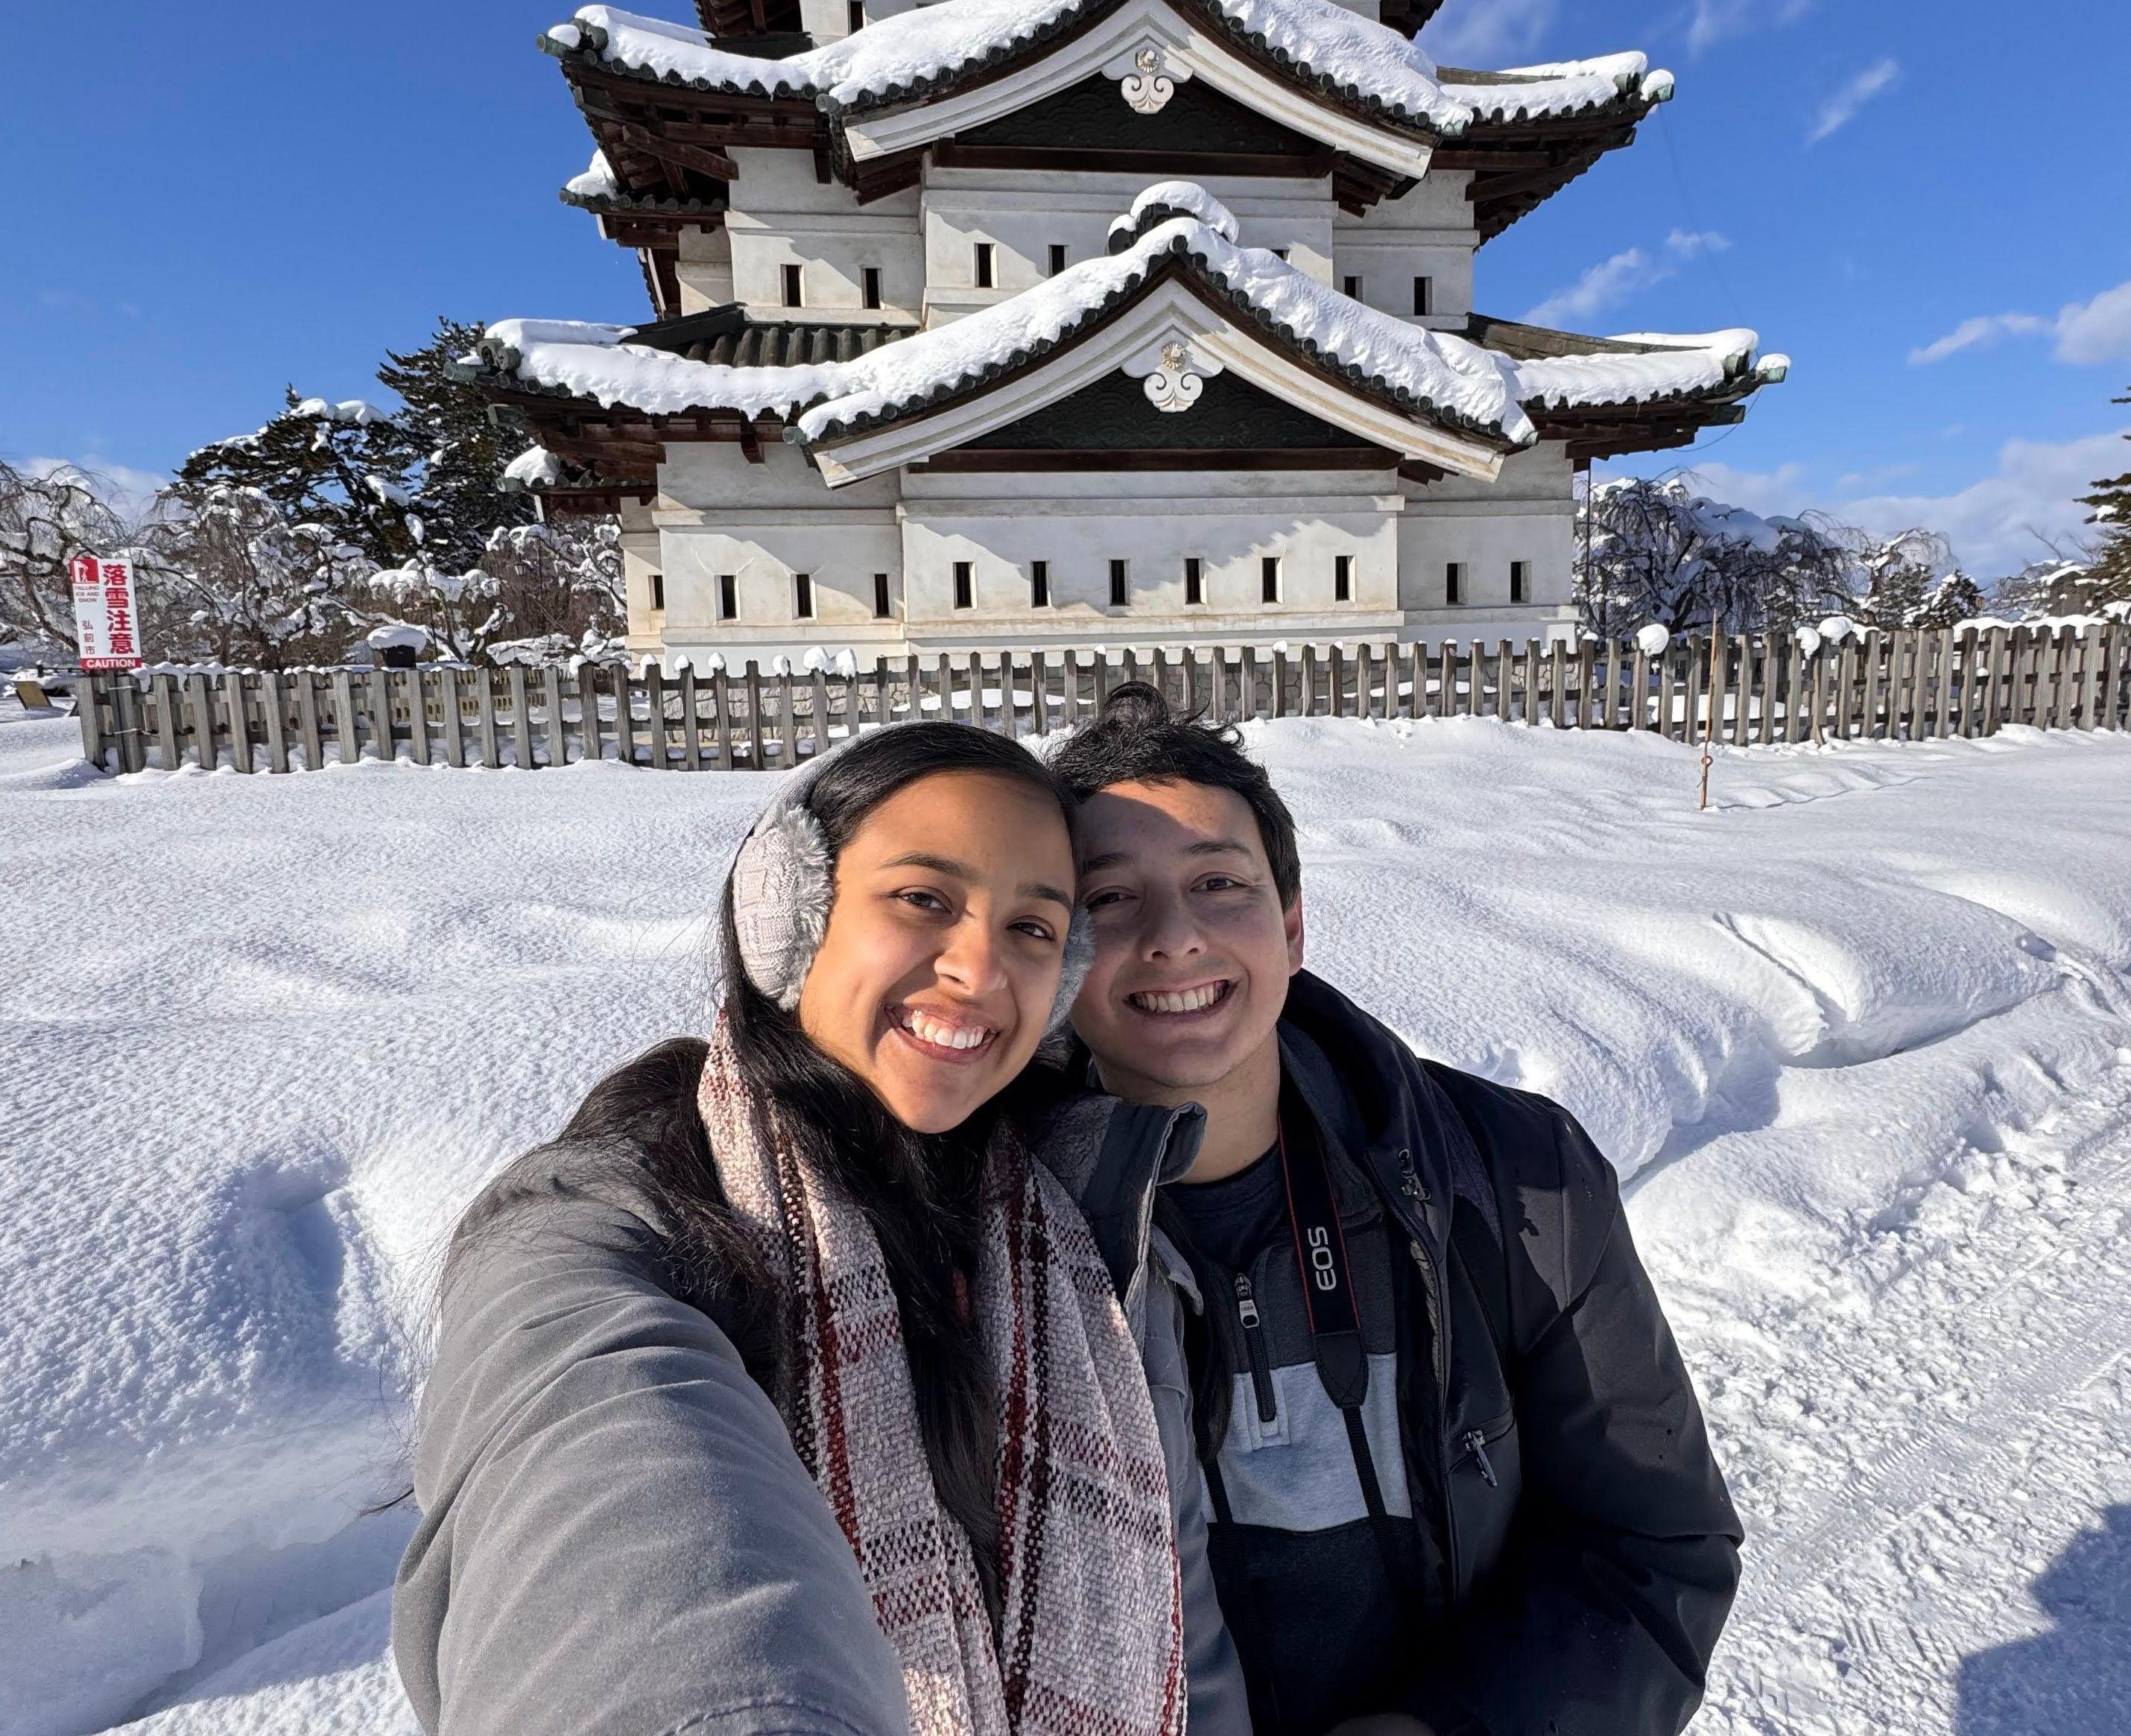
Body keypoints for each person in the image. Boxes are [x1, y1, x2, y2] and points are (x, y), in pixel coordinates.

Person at [392, 722, 1247, 1736]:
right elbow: (618, 1514)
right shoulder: (608, 1228)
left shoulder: (1079, 1239)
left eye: (1032, 928)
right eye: (925, 899)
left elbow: (1184, 1633)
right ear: (787, 913)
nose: (980, 969)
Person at [1048, 684, 1744, 1736]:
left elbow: (1651, 1547)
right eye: (1109, 899)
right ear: (1051, 952)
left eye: (1218, 882)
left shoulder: (1509, 1177)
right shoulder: (1000, 1232)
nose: (1174, 937)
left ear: (1290, 925)